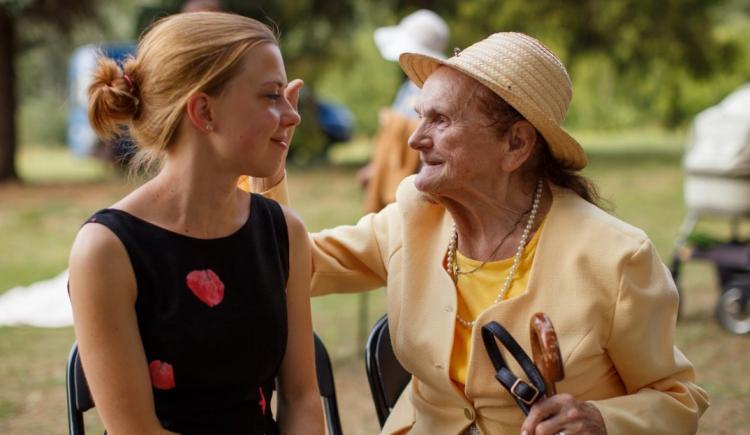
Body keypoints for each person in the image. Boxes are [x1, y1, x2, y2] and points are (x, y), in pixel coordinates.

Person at [252, 32, 709, 434]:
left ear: (516, 144)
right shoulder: (415, 215)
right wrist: (268, 172)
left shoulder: (617, 258)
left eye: (441, 120)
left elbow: (677, 398)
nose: (415, 139)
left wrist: (603, 421)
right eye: (420, 116)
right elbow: (290, 267)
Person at [68, 12, 324, 434]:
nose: (291, 115)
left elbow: (301, 397)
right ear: (204, 111)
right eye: (271, 95)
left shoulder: (285, 232)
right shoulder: (107, 251)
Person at [358, 9, 450, 214]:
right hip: (393, 178)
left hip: (414, 184)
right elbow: (392, 139)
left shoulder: (433, 92)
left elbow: (420, 141)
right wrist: (376, 168)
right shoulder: (408, 87)